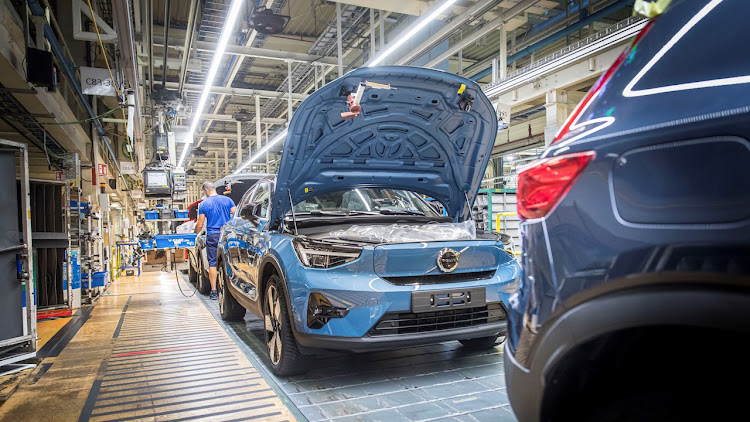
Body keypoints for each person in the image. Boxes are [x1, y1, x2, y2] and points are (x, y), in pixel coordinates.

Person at [194, 181, 236, 300]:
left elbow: (200, 223)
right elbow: (236, 214)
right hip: (225, 235)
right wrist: (228, 224)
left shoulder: (203, 204)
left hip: (212, 235)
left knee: (212, 263)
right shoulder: (227, 200)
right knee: (228, 261)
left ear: (206, 191)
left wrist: (197, 234)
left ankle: (213, 291)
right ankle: (230, 289)